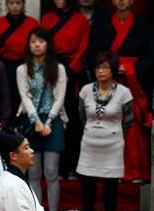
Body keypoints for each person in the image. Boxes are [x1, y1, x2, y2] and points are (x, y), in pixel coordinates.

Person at [99, 0, 154, 182]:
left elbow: (150, 54)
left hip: (135, 80)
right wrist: (112, 68)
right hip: (110, 78)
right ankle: (110, 170)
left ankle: (135, 170)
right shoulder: (103, 23)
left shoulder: (143, 24)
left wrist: (131, 69)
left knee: (134, 126)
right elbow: (97, 53)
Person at [76, 51, 134, 211]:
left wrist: (113, 134)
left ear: (113, 70)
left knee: (110, 198)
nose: (100, 71)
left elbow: (129, 120)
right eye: (98, 67)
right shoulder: (86, 90)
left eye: (105, 67)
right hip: (89, 147)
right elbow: (81, 116)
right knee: (88, 197)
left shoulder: (123, 92)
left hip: (113, 148)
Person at [16, 27, 67, 211]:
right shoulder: (22, 69)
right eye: (33, 42)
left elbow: (60, 97)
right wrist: (36, 120)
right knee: (34, 172)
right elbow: (24, 96)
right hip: (31, 121)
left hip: (53, 120)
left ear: (48, 44)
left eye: (41, 41)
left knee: (52, 172)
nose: (37, 45)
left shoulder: (59, 68)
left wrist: (49, 121)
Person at [41, 0, 91, 180]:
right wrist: (51, 71)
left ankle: (72, 167)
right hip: (51, 72)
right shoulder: (47, 19)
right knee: (52, 119)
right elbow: (43, 45)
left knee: (73, 123)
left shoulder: (81, 21)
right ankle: (56, 169)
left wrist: (70, 72)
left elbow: (83, 48)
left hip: (73, 73)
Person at [0, 0, 39, 122]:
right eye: (11, 3)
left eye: (18, 3)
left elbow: (38, 46)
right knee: (5, 98)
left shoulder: (32, 23)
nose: (15, 6)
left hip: (27, 65)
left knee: (26, 97)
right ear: (6, 4)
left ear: (23, 4)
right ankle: (5, 126)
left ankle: (25, 126)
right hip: (4, 66)